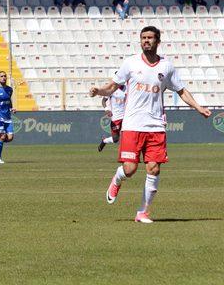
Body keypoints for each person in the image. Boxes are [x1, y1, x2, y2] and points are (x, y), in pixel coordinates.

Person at [89, 26, 211, 223]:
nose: (146, 41)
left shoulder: (167, 67)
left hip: (156, 126)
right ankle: (117, 179)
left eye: (150, 38)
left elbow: (181, 90)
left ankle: (142, 212)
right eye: (143, 38)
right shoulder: (130, 63)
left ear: (158, 41)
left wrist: (198, 107)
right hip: (132, 125)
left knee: (154, 169)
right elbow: (112, 86)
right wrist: (99, 91)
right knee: (130, 169)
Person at [97, 83, 126, 152]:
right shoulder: (112, 90)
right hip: (116, 117)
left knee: (129, 135)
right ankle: (105, 141)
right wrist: (107, 109)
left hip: (127, 117)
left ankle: (129, 155)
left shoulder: (128, 88)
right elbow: (103, 100)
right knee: (115, 139)